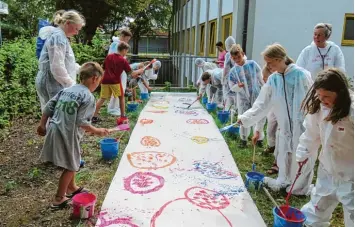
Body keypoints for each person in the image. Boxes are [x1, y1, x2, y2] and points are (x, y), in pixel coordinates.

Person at [237, 43, 313, 194]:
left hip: (301, 125)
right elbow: (262, 104)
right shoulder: (273, 80)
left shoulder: (301, 75)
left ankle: (300, 187)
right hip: (284, 126)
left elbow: (311, 102)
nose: (268, 66)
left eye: (270, 62)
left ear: (279, 59)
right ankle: (284, 180)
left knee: (301, 154)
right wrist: (245, 118)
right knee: (284, 152)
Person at [37, 62, 109, 209]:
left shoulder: (67, 89)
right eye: (99, 82)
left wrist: (42, 124)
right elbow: (82, 122)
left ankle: (72, 187)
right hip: (67, 133)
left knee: (73, 158)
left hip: (54, 128)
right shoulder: (88, 97)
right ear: (95, 79)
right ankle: (59, 198)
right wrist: (97, 130)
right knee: (72, 165)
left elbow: (50, 105)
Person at [296, 68, 353, 226]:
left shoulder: (352, 111)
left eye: (326, 96)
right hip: (328, 170)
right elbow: (311, 135)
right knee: (318, 207)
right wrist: (303, 154)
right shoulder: (319, 109)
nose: (322, 100)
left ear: (340, 92)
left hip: (351, 176)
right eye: (319, 95)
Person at [35, 10, 85, 111]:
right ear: (67, 23)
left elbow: (66, 62)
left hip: (54, 82)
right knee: (54, 117)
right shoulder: (58, 37)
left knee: (52, 117)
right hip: (52, 83)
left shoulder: (60, 36)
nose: (77, 32)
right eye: (76, 29)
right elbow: (57, 67)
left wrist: (82, 69)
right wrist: (72, 85)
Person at [93, 42, 144, 125]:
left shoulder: (109, 56)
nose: (126, 53)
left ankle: (93, 117)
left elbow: (103, 68)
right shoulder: (122, 60)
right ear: (124, 50)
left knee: (102, 98)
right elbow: (132, 74)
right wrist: (139, 71)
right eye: (126, 51)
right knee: (121, 97)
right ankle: (122, 117)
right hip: (115, 82)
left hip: (105, 80)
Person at [228, 44, 264, 148]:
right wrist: (237, 86)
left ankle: (259, 138)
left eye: (238, 57)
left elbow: (260, 76)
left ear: (242, 54)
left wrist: (265, 89)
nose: (237, 60)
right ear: (232, 58)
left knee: (258, 115)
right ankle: (243, 139)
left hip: (256, 94)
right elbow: (231, 85)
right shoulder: (233, 71)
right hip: (243, 98)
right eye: (234, 58)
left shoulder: (252, 64)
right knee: (243, 117)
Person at [106, 29, 133, 115]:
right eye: (127, 39)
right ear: (122, 36)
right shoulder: (116, 44)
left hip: (120, 71)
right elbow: (114, 58)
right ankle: (113, 108)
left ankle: (116, 107)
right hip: (117, 71)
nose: (127, 41)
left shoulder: (118, 44)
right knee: (118, 90)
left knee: (121, 89)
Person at [262, 66, 279, 174]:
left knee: (281, 135)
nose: (263, 79)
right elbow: (261, 104)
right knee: (270, 129)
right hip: (273, 108)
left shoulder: (278, 82)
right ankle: (271, 146)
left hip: (283, 112)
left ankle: (277, 163)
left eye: (265, 77)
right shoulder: (268, 86)